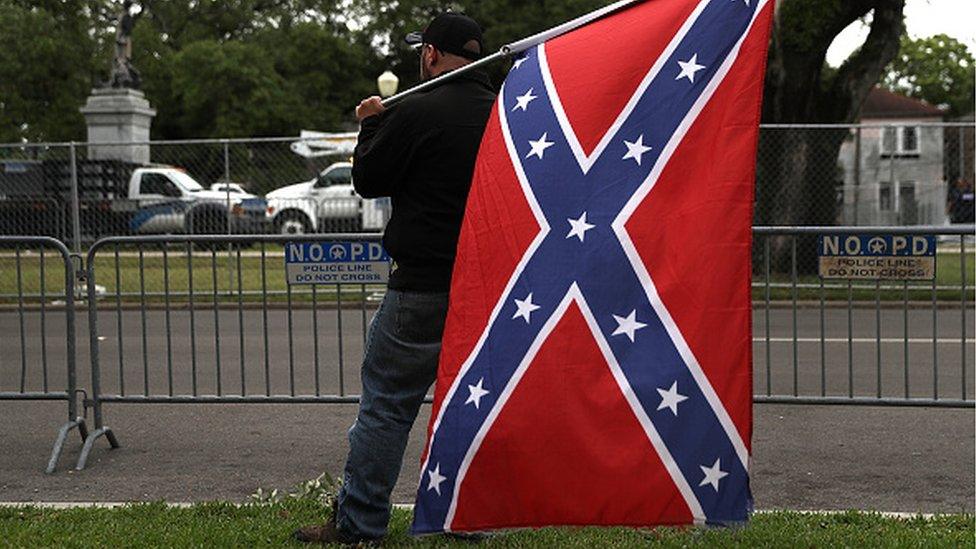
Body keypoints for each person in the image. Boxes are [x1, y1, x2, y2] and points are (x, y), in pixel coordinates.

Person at [294, 12, 496, 544]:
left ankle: (360, 523)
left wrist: (371, 124)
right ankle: (462, 519)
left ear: (430, 54)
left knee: (385, 405)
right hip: (488, 288)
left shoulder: (417, 108)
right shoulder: (503, 111)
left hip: (421, 284)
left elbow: (368, 179)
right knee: (467, 403)